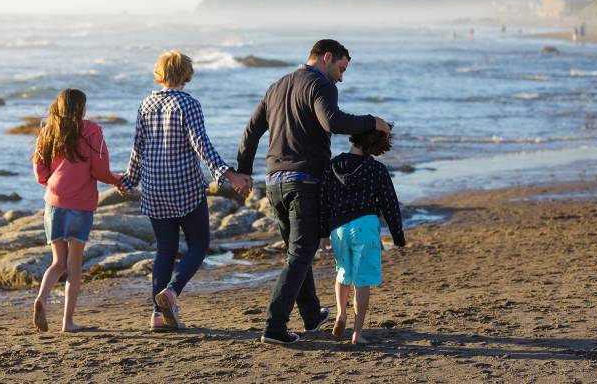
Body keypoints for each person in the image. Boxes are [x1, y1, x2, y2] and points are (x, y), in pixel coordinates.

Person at [237, 39, 392, 345]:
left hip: (274, 182)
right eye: (341, 68)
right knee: (300, 254)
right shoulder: (320, 84)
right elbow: (332, 122)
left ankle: (311, 315)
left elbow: (251, 130)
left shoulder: (277, 85)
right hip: (303, 182)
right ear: (327, 57)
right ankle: (274, 326)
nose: (341, 77)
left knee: (299, 252)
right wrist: (373, 121)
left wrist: (243, 169)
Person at [118, 50, 251, 332]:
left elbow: (137, 146)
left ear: (160, 72)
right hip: (185, 186)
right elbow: (201, 144)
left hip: (154, 186)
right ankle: (172, 291)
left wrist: (130, 180)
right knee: (199, 245)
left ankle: (156, 315)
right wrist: (229, 174)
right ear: (186, 73)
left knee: (165, 248)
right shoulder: (188, 104)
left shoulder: (146, 103)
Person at [32, 88, 122, 332]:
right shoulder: (92, 130)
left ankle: (42, 297)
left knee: (57, 262)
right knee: (74, 266)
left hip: (53, 204)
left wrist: (52, 186)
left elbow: (39, 170)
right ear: (81, 108)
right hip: (80, 206)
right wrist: (118, 179)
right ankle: (68, 322)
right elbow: (101, 171)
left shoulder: (48, 131)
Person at [319, 128, 406, 344]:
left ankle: (340, 314)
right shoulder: (377, 169)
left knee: (342, 273)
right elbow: (390, 203)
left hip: (338, 227)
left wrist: (322, 232)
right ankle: (357, 333)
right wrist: (397, 235)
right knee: (362, 281)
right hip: (365, 225)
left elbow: (323, 199)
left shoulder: (333, 165)